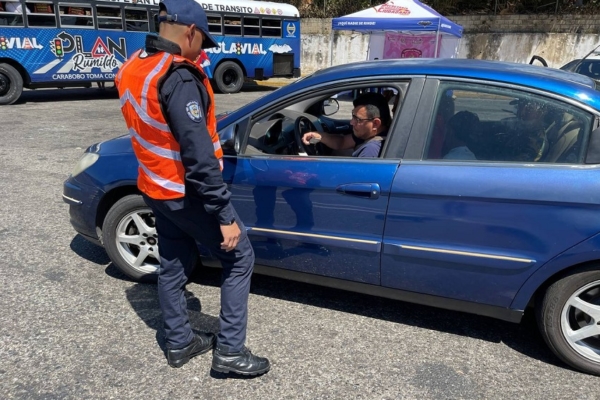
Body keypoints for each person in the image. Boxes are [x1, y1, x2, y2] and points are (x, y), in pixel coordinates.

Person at [114, 0, 269, 376]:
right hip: (185, 193)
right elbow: (199, 158)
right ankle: (230, 353)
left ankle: (180, 342)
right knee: (240, 257)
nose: (202, 52)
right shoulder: (179, 78)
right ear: (190, 32)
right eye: (203, 43)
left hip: (154, 187)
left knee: (173, 263)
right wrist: (224, 215)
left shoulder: (135, 67)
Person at [302, 92, 391, 158]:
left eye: (358, 119)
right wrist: (319, 136)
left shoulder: (370, 151)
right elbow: (342, 142)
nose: (351, 122)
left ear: (376, 123)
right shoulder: (367, 134)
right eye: (353, 117)